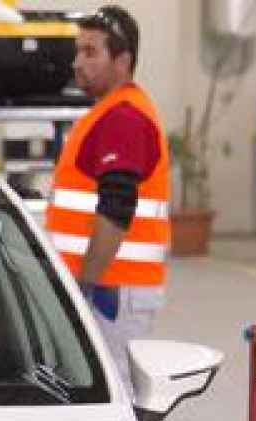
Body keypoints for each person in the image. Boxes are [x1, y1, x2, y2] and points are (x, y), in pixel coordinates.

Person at [45, 6, 169, 376]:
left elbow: (116, 208)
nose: (77, 63)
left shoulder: (124, 119)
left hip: (108, 292)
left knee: (113, 393)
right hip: (109, 287)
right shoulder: (111, 113)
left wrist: (84, 287)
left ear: (123, 60)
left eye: (91, 52)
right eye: (78, 51)